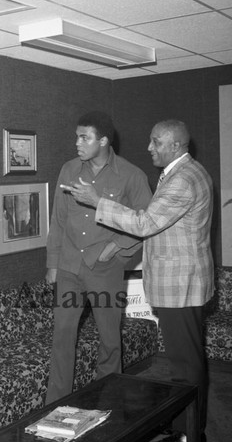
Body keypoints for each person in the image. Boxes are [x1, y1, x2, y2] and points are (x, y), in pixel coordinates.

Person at [62, 119, 214, 442]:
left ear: (175, 145)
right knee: (185, 361)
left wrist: (97, 201)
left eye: (156, 142)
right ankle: (185, 426)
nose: (149, 147)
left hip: (180, 285)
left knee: (185, 365)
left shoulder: (183, 180)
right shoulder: (187, 171)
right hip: (184, 282)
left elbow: (144, 223)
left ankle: (190, 435)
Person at [45, 110, 152, 404]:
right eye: (76, 136)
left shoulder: (131, 175)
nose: (77, 143)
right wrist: (52, 264)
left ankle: (107, 403)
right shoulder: (68, 169)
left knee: (109, 340)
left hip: (105, 268)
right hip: (68, 266)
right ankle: (55, 405)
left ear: (103, 140)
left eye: (84, 137)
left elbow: (147, 220)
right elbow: (58, 218)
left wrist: (115, 247)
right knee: (62, 337)